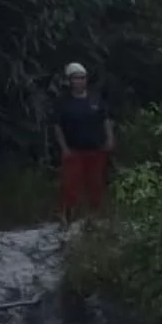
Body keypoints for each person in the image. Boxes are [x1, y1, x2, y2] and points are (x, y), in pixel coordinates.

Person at [53, 62, 115, 223]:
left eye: (82, 78)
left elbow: (105, 120)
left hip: (96, 149)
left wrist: (109, 139)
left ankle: (94, 215)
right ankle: (66, 215)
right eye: (76, 78)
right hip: (74, 150)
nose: (80, 81)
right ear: (70, 81)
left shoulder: (95, 99)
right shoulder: (63, 102)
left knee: (95, 183)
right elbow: (57, 126)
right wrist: (64, 148)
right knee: (70, 184)